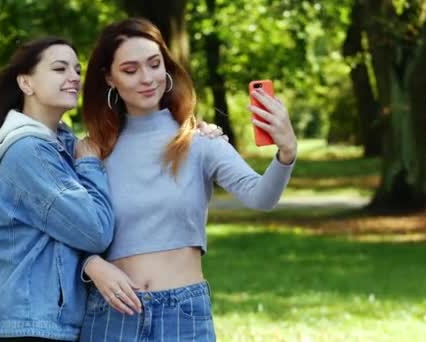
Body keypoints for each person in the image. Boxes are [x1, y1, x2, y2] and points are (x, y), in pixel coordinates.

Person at [79, 18, 297, 341]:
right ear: (109, 78)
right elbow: (67, 231)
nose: (147, 78)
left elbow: (261, 197)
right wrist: (90, 265)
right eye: (130, 70)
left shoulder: (199, 141)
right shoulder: (91, 151)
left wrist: (287, 152)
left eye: (154, 64)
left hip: (181, 315)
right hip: (111, 315)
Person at [0, 37, 115, 341]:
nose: (74, 77)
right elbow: (95, 230)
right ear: (26, 83)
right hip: (35, 324)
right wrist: (88, 166)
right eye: (59, 69)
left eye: (77, 69)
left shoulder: (61, 144)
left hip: (52, 320)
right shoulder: (28, 152)